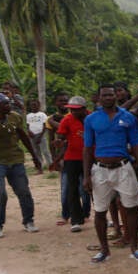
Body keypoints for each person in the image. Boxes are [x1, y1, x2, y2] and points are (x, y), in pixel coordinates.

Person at [82, 85, 138, 261]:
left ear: (116, 96)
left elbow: (137, 144)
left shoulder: (128, 117)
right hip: (100, 170)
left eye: (111, 94)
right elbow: (87, 149)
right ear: (99, 98)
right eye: (104, 95)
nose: (108, 97)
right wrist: (86, 175)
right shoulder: (91, 119)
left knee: (131, 208)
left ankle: (134, 247)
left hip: (124, 168)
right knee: (100, 211)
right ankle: (104, 250)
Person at [0, 92, 41, 238]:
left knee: (24, 191)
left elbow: (23, 136)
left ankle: (28, 221)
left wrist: (35, 156)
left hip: (15, 160)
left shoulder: (14, 117)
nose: (9, 105)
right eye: (5, 103)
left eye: (9, 102)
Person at [52, 96, 91, 232]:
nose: (73, 112)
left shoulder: (91, 118)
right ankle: (75, 219)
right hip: (72, 157)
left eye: (76, 110)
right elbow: (61, 136)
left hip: (91, 157)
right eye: (71, 110)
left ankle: (92, 214)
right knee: (72, 188)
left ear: (84, 109)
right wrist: (59, 142)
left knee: (92, 188)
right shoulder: (67, 119)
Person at [25, 98, 50, 168]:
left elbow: (45, 126)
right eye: (32, 105)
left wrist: (41, 135)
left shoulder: (42, 114)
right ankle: (40, 165)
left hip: (41, 135)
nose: (33, 106)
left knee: (45, 151)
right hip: (32, 135)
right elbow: (28, 125)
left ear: (39, 106)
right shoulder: (28, 115)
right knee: (36, 151)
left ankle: (50, 164)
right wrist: (29, 132)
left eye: (35, 105)